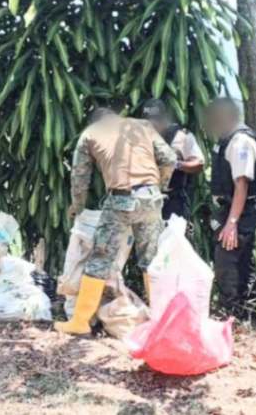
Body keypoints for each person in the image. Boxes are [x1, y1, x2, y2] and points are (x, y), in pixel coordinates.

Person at [56, 107, 177, 335]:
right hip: (152, 199)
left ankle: (80, 322)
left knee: (100, 260)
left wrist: (77, 206)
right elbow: (169, 158)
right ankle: (161, 321)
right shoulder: (143, 126)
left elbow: (80, 176)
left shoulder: (90, 133)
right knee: (150, 261)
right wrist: (159, 186)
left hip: (122, 199)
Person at [205, 98, 256, 318]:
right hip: (230, 210)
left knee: (228, 263)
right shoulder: (228, 139)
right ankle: (241, 314)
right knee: (236, 263)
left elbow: (242, 183)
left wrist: (232, 222)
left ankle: (232, 315)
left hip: (239, 212)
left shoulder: (241, 141)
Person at [141, 98, 205, 221]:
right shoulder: (141, 137)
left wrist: (176, 164)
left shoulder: (181, 136)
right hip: (146, 200)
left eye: (156, 121)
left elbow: (199, 164)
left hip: (172, 201)